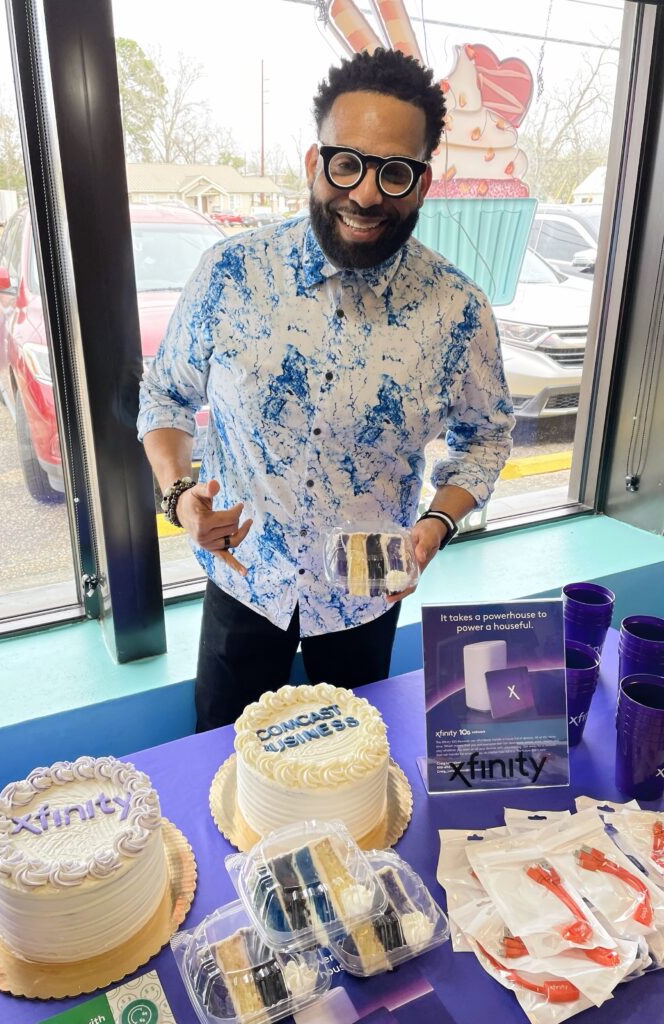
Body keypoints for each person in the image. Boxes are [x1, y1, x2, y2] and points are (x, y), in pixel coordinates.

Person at [138, 48, 514, 731]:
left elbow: (486, 435)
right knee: (227, 778)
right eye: (348, 163)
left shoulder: (459, 310)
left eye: (395, 172)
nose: (367, 194)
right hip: (245, 585)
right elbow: (164, 394)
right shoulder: (230, 274)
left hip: (366, 599)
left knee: (354, 784)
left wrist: (437, 522)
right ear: (315, 164)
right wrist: (176, 492)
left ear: (424, 183)